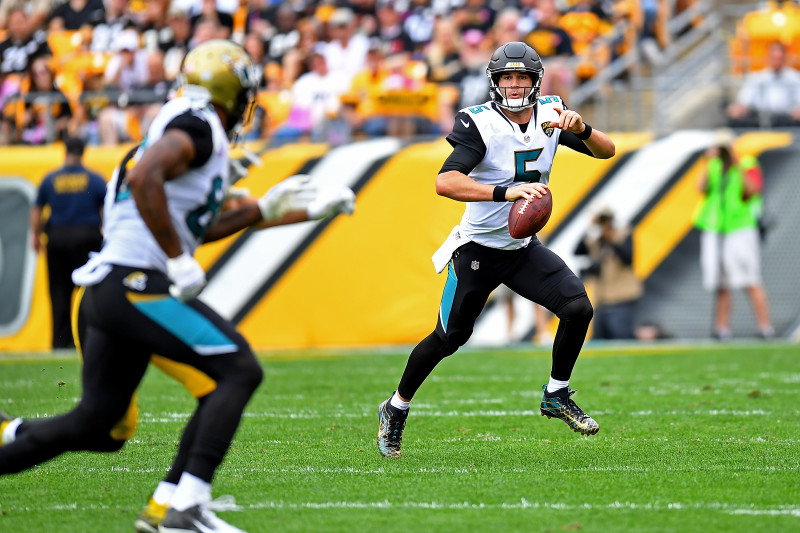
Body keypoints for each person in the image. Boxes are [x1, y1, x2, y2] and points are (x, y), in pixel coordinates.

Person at [0, 40, 355, 533]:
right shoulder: (197, 124)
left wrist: (280, 210)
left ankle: (16, 435)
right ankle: (183, 507)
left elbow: (197, 224)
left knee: (101, 425)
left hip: (108, 291)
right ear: (230, 94)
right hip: (134, 284)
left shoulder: (178, 124)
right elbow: (148, 178)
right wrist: (175, 259)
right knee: (237, 370)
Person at [376, 41, 615, 458]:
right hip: (478, 250)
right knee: (449, 338)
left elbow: (607, 150)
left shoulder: (552, 114)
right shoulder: (480, 122)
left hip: (521, 248)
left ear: (536, 81)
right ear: (496, 81)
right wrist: (506, 192)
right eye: (508, 77)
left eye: (523, 77)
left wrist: (581, 130)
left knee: (578, 308)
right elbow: (445, 182)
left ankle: (556, 394)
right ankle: (396, 407)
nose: (516, 84)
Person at [693, 131, 774, 340]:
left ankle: (765, 327)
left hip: (740, 228)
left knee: (750, 278)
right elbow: (700, 188)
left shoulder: (747, 164)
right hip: (716, 228)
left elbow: (752, 190)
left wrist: (735, 163)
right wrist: (707, 161)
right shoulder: (713, 165)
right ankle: (722, 329)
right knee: (721, 283)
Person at [31, 136, 106, 349]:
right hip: (87, 238)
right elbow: (106, 210)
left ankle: (60, 344)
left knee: (59, 293)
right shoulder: (95, 179)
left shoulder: (50, 179)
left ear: (65, 151)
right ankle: (89, 340)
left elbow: (37, 209)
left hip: (58, 238)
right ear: (83, 152)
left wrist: (36, 236)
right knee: (89, 292)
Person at [574, 208, 642, 340]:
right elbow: (577, 251)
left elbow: (628, 259)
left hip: (623, 298)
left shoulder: (623, 234)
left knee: (621, 336)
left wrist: (612, 239)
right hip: (602, 300)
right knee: (599, 339)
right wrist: (589, 227)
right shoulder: (596, 240)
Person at [726, 40, 800, 128]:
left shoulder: (794, 78)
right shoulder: (758, 78)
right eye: (774, 58)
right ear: (768, 57)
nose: (776, 62)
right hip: (760, 120)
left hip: (787, 120)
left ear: (784, 58)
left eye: (779, 58)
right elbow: (745, 100)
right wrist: (738, 108)